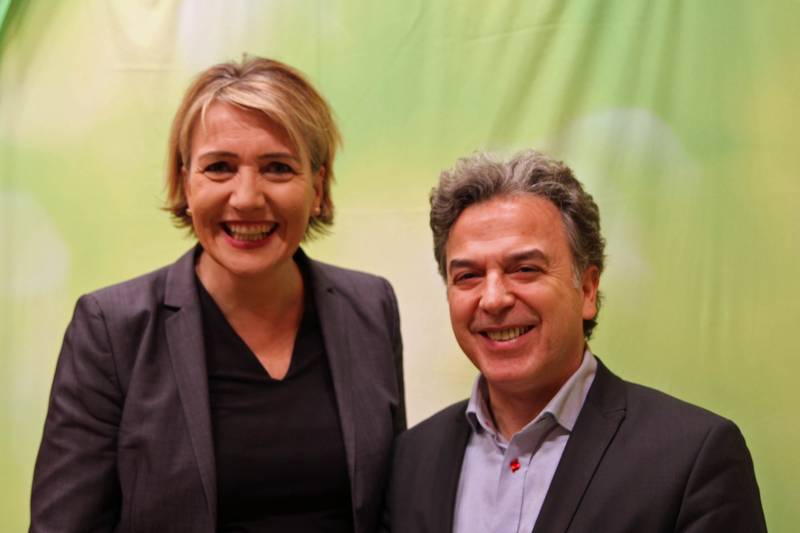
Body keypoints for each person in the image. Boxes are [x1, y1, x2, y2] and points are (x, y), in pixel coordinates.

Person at [30, 57, 405, 533]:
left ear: (317, 187)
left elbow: (392, 508)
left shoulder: (370, 307)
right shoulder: (111, 330)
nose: (246, 197)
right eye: (220, 168)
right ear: (185, 183)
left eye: (278, 168)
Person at [383, 150, 766, 533]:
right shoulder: (411, 459)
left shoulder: (691, 458)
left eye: (525, 269)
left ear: (587, 289)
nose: (494, 299)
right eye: (468, 276)